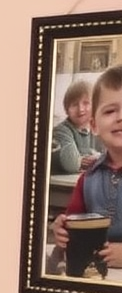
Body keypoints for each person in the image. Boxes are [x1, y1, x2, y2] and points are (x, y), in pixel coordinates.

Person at [52, 67, 122, 270]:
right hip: (96, 281)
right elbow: (72, 225)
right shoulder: (87, 179)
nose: (120, 117)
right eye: (110, 111)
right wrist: (62, 230)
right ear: (94, 125)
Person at [50, 80, 103, 174]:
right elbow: (71, 164)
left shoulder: (99, 128)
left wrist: (97, 159)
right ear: (67, 110)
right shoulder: (61, 130)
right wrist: (80, 161)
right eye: (74, 104)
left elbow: (114, 158)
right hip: (62, 184)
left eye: (86, 103)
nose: (81, 109)